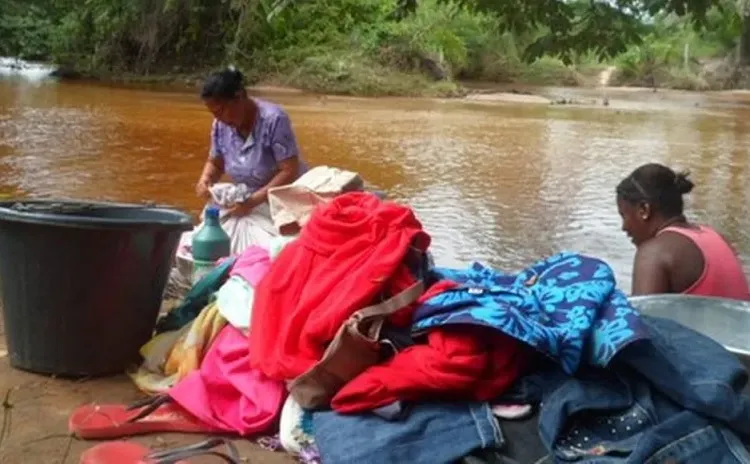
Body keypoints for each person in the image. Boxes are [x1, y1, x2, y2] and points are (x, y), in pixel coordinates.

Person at [615, 163, 750, 300]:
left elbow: (639, 319)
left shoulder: (654, 253)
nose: (624, 227)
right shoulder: (715, 237)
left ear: (644, 210)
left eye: (624, 215)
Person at [196, 67, 308, 217]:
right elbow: (216, 162)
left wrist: (253, 201)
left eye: (220, 111)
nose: (218, 118)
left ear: (239, 97)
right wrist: (205, 180)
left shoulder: (274, 119)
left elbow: (289, 170)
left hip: (280, 201)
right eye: (214, 114)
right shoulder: (220, 125)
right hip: (245, 199)